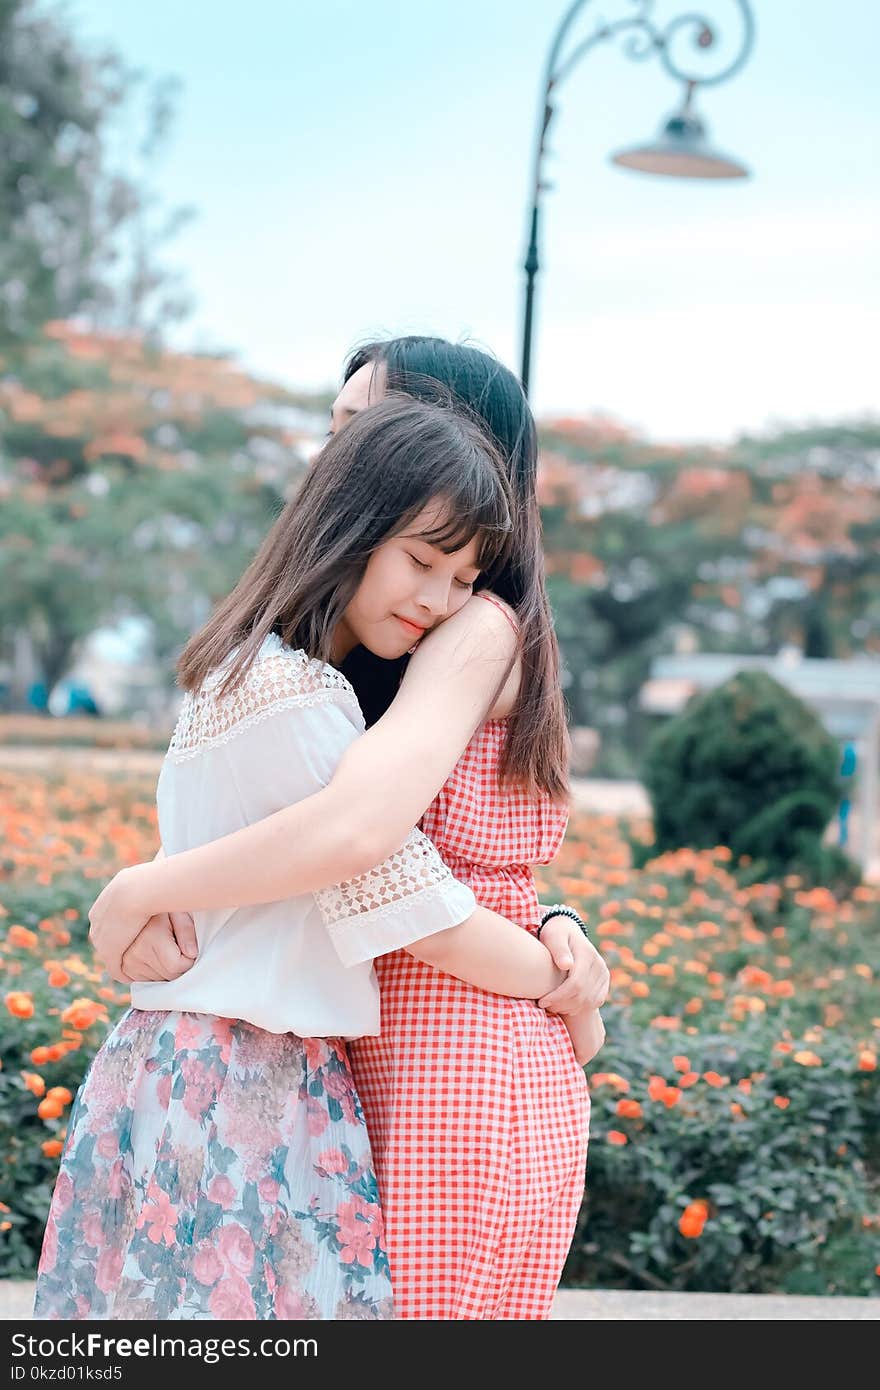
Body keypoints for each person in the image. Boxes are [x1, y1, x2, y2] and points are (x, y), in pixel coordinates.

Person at [34, 395, 584, 1322]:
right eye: (421, 560)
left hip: (201, 1063)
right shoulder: (298, 698)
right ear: (352, 525)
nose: (439, 601)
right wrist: (566, 978)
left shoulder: (248, 671)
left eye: (463, 577)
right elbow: (403, 893)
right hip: (243, 1074)